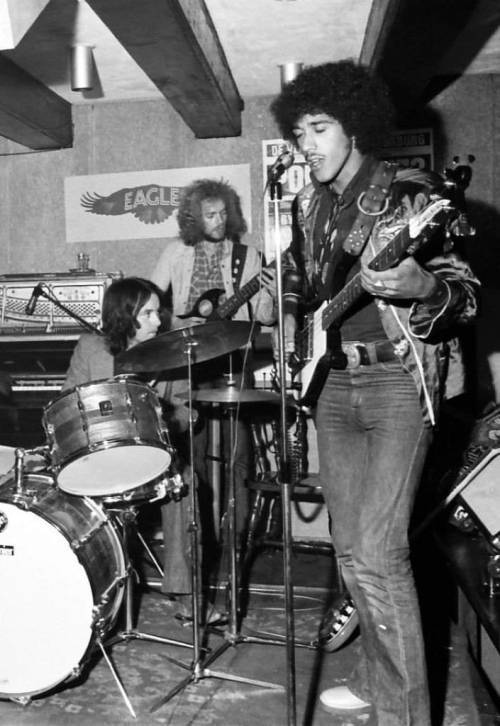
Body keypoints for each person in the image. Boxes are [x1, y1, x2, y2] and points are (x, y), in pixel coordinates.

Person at [270, 60, 480, 725]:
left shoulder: (412, 194)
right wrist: (295, 330)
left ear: (355, 126)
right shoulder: (308, 205)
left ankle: (407, 715)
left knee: (382, 555)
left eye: (320, 128)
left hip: (394, 382)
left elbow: (466, 294)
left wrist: (427, 288)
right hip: (332, 385)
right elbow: (312, 295)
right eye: (299, 132)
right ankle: (374, 678)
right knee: (351, 551)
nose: (307, 144)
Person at [151, 178, 276, 561]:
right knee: (193, 456)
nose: (219, 220)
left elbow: (265, 317)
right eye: (210, 215)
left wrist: (269, 291)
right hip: (188, 363)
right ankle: (198, 549)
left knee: (238, 458)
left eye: (223, 213)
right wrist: (178, 322)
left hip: (233, 362)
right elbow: (150, 302)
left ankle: (233, 548)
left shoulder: (247, 256)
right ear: (193, 218)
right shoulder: (175, 252)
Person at [63, 276, 195, 617]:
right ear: (124, 315)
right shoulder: (91, 348)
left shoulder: (170, 352)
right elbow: (67, 400)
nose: (158, 321)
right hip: (100, 456)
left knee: (187, 484)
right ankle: (90, 597)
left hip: (151, 456)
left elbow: (186, 411)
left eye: (158, 312)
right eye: (148, 313)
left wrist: (167, 419)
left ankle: (185, 593)